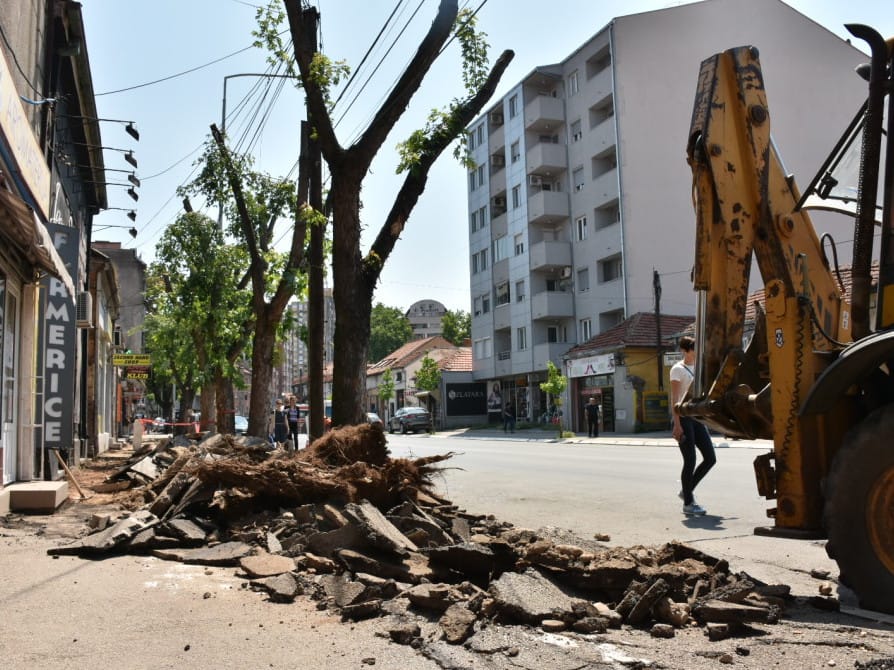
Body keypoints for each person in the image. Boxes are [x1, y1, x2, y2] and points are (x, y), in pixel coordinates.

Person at [670, 335, 717, 516]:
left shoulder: (699, 368)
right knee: (690, 460)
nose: (698, 352)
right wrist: (677, 425)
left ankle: (686, 491)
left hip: (697, 418)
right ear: (686, 350)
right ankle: (688, 503)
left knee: (710, 458)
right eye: (694, 349)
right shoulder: (677, 370)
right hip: (682, 418)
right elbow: (675, 399)